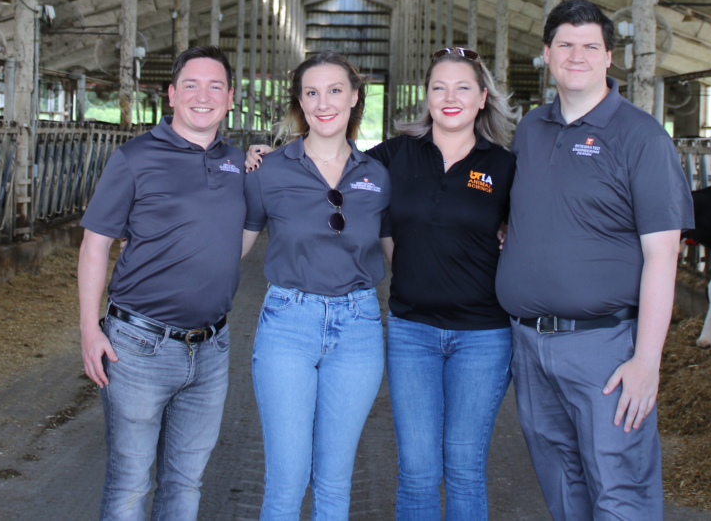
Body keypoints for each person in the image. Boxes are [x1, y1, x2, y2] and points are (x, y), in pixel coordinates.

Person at [247, 48, 517, 521]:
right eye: (438, 87)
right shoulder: (394, 156)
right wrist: (251, 155)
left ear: (483, 98)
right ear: (426, 97)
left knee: (463, 467)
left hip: (479, 332)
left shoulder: (505, 167)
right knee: (411, 470)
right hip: (406, 327)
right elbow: (324, 156)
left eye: (462, 88)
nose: (449, 97)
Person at [495, 0, 694, 521]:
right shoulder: (531, 130)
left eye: (590, 46)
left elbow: (662, 256)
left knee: (618, 484)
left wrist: (647, 360)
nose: (576, 55)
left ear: (610, 57)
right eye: (565, 44)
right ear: (546, 55)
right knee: (561, 479)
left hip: (603, 347)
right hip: (529, 342)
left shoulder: (641, 136)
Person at [78, 45, 245, 521]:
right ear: (172, 94)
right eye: (190, 84)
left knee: (186, 483)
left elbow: (237, 237)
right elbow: (95, 245)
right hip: (138, 345)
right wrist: (90, 329)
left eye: (216, 86)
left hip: (211, 347)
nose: (203, 95)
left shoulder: (236, 162)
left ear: (230, 98)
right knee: (131, 483)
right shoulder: (134, 158)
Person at [241, 51, 390, 521]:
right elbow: (231, 245)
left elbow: (403, 250)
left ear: (353, 97)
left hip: (359, 326)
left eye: (334, 90)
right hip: (288, 321)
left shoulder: (378, 175)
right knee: (286, 479)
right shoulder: (267, 170)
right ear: (300, 103)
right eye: (311, 92)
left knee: (334, 480)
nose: (323, 103)